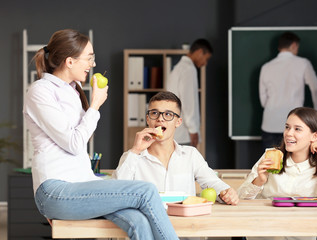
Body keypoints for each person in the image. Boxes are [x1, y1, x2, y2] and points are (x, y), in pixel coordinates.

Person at [23, 29, 178, 240]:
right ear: (70, 61)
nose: (93, 64)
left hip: (80, 187)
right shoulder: (41, 91)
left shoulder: (72, 90)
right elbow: (74, 143)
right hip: (55, 191)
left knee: (138, 220)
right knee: (146, 191)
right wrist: (95, 104)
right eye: (89, 58)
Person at [237, 107, 317, 240]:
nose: (288, 133)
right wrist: (259, 181)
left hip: (300, 233)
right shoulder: (270, 156)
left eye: (297, 129)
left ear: (314, 136)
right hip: (266, 231)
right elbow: (240, 199)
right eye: (287, 127)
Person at [113, 91, 239, 206]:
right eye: (154, 113)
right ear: (148, 119)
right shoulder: (133, 156)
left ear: (178, 122)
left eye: (168, 114)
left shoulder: (191, 155)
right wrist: (135, 150)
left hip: (186, 224)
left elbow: (213, 182)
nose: (160, 118)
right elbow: (115, 194)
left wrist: (227, 192)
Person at [259, 31, 317, 150]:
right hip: (296, 125)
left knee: (271, 165)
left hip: (270, 123)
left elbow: (263, 100)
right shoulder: (303, 63)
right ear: (294, 45)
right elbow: (316, 89)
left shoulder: (266, 67)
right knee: (294, 165)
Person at [166, 39, 213, 147]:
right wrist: (193, 130)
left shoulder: (177, 69)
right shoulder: (189, 69)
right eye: (206, 59)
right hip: (184, 134)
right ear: (200, 52)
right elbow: (188, 103)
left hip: (174, 131)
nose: (205, 63)